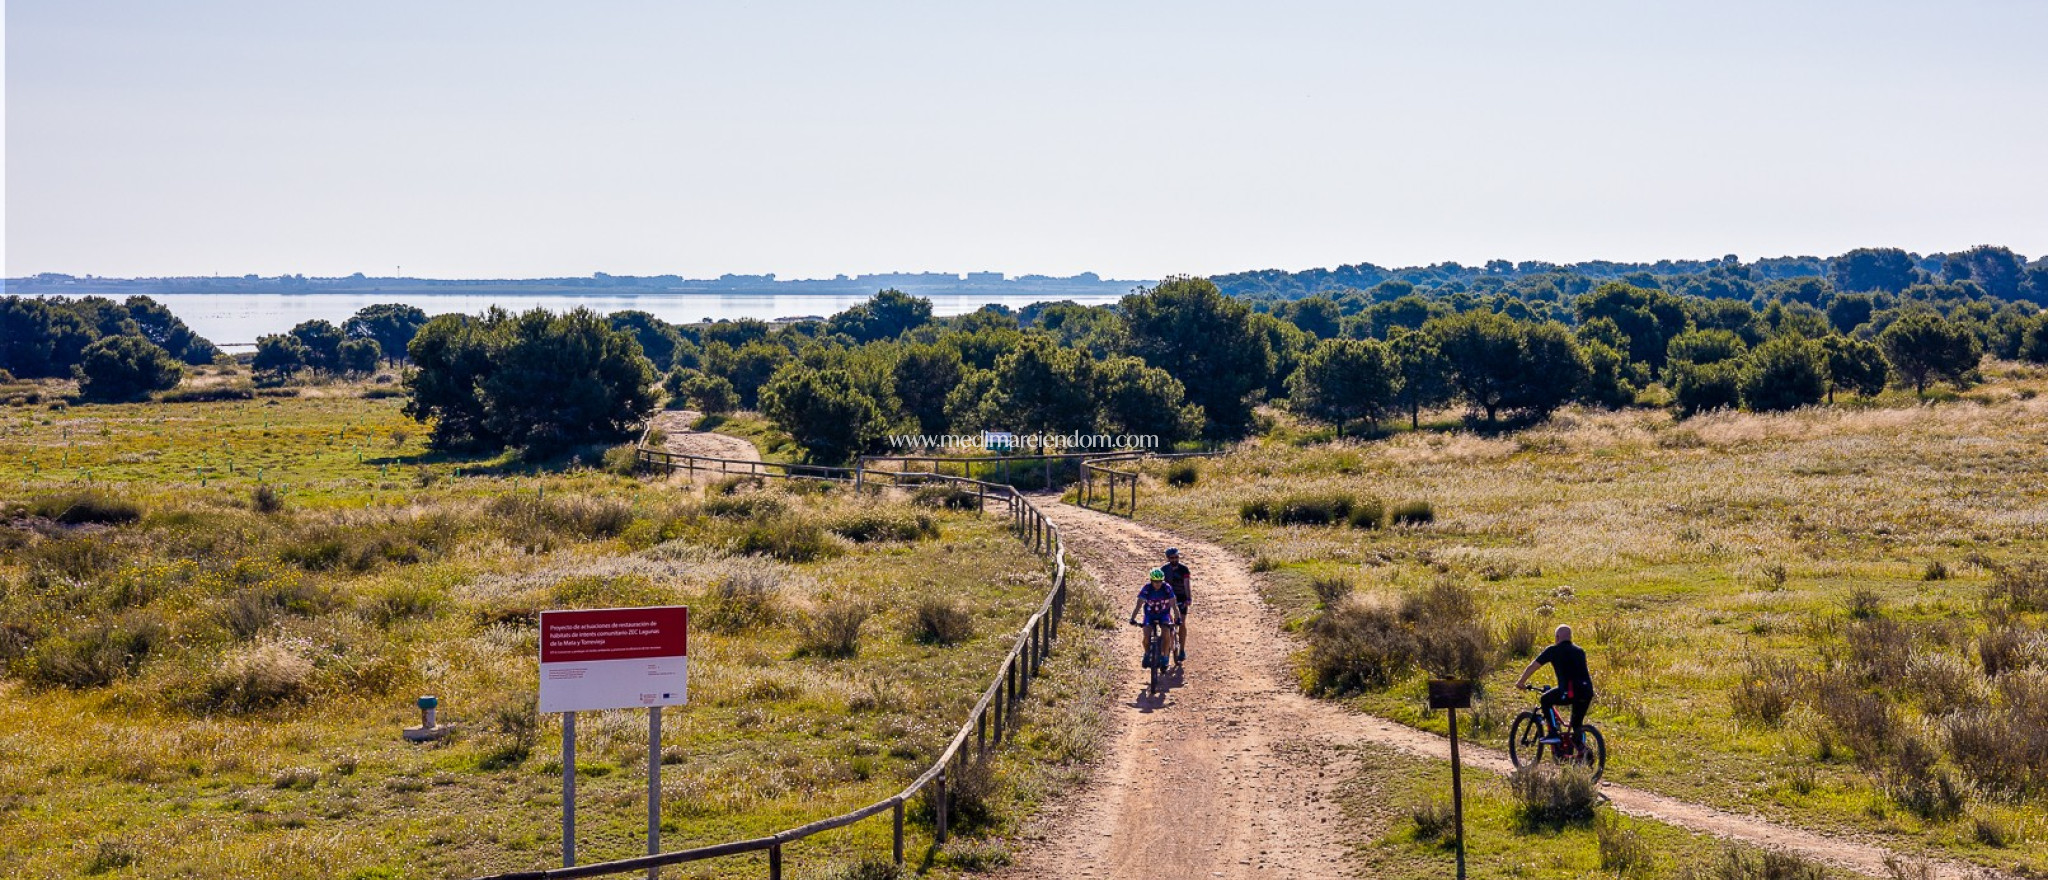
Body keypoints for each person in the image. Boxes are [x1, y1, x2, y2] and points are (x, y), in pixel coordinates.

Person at [1515, 624, 1595, 756]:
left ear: (1557, 637)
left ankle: (1553, 733)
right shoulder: (1580, 651)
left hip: (1569, 692)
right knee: (1576, 725)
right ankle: (1582, 751)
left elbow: (1533, 666)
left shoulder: (1553, 650)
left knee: (1545, 699)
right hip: (1586, 692)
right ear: (1570, 637)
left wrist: (1521, 681)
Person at [1128, 568, 1180, 670]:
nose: (1158, 584)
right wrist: (1132, 618)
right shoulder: (1147, 588)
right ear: (1151, 581)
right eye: (1155, 581)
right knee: (1146, 636)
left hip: (1163, 614)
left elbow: (1174, 605)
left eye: (1160, 581)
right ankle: (1147, 653)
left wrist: (1177, 618)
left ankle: (1165, 657)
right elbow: (1138, 605)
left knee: (1166, 633)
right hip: (1150, 614)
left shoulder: (1167, 588)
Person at [1160, 548, 1192, 664]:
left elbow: (1187, 584)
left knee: (1182, 623)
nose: (1174, 560)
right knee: (1165, 623)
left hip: (1181, 597)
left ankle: (1182, 649)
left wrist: (1188, 598)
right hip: (1168, 597)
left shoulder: (1184, 569)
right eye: (1172, 558)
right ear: (1168, 558)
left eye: (1176, 557)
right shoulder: (1163, 570)